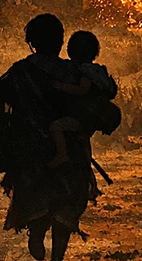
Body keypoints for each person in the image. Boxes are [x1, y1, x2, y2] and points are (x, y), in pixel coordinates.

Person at [0, 14, 98, 261]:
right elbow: (91, 112)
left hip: (29, 151)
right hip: (69, 151)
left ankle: (36, 230)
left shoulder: (19, 72)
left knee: (38, 195)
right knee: (67, 204)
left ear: (31, 42)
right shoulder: (73, 73)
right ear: (60, 41)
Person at [47, 31, 118, 168]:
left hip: (82, 118)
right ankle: (86, 162)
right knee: (84, 138)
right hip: (90, 117)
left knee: (55, 127)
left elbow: (82, 90)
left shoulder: (85, 72)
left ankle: (62, 154)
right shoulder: (97, 70)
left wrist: (62, 86)